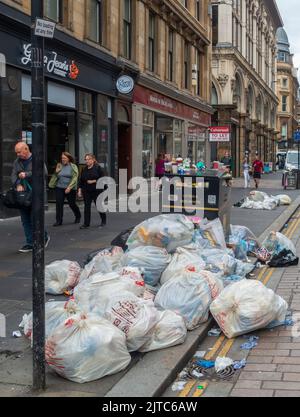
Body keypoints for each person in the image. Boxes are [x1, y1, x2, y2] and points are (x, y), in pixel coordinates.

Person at [11, 142, 50, 253]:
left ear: (26, 149)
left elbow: (44, 173)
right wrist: (17, 184)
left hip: (36, 194)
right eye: (16, 152)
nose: (18, 154)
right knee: (25, 219)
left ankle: (44, 237)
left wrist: (27, 174)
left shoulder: (37, 159)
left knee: (35, 218)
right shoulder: (17, 162)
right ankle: (30, 242)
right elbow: (13, 175)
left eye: (19, 152)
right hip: (22, 195)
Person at [49, 152, 81, 226]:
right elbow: (55, 177)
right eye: (62, 158)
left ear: (69, 159)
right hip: (59, 187)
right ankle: (58, 221)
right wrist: (56, 172)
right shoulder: (59, 165)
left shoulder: (73, 166)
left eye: (64, 158)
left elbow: (75, 178)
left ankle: (78, 216)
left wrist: (69, 187)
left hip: (70, 188)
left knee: (72, 204)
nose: (63, 159)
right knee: (59, 204)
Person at [78, 153, 106, 229]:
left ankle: (103, 220)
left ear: (93, 160)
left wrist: (93, 181)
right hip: (86, 190)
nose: (87, 161)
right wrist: (79, 190)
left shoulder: (98, 168)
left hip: (96, 191)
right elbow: (81, 180)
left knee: (99, 206)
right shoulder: (84, 169)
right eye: (86, 159)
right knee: (87, 207)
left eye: (88, 159)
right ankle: (86, 224)